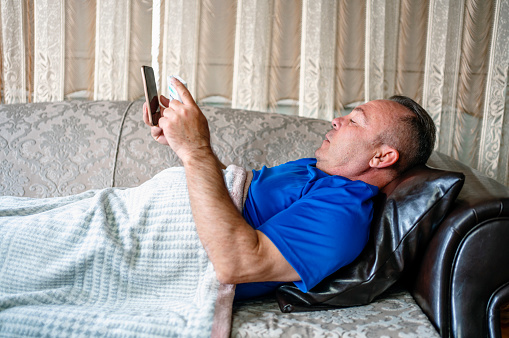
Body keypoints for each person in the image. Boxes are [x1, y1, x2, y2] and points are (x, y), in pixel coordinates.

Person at [143, 77, 436, 300]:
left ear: (382, 157)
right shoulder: (313, 167)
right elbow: (229, 192)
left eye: (354, 121)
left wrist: (196, 149)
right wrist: (182, 144)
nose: (336, 120)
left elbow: (236, 263)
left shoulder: (343, 214)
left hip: (150, 244)